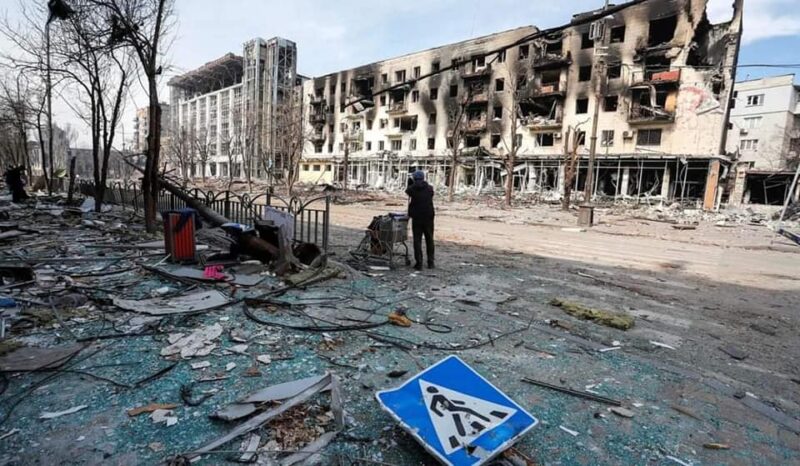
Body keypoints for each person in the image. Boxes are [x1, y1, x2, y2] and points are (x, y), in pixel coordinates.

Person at [405, 170, 435, 270]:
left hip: (417, 217)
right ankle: (431, 262)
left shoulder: (412, 189)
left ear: (414, 178)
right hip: (428, 216)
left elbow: (407, 191)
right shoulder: (430, 188)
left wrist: (410, 184)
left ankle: (419, 263)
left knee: (417, 240)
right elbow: (431, 194)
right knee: (429, 239)